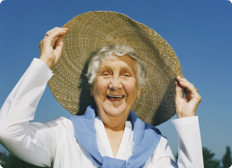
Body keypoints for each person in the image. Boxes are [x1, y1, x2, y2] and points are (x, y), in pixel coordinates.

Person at [0, 11, 203, 168]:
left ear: (139, 89)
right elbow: (7, 132)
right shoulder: (63, 134)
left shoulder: (156, 146)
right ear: (91, 86)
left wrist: (187, 121)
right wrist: (44, 65)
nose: (115, 84)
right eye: (106, 74)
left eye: (126, 74)